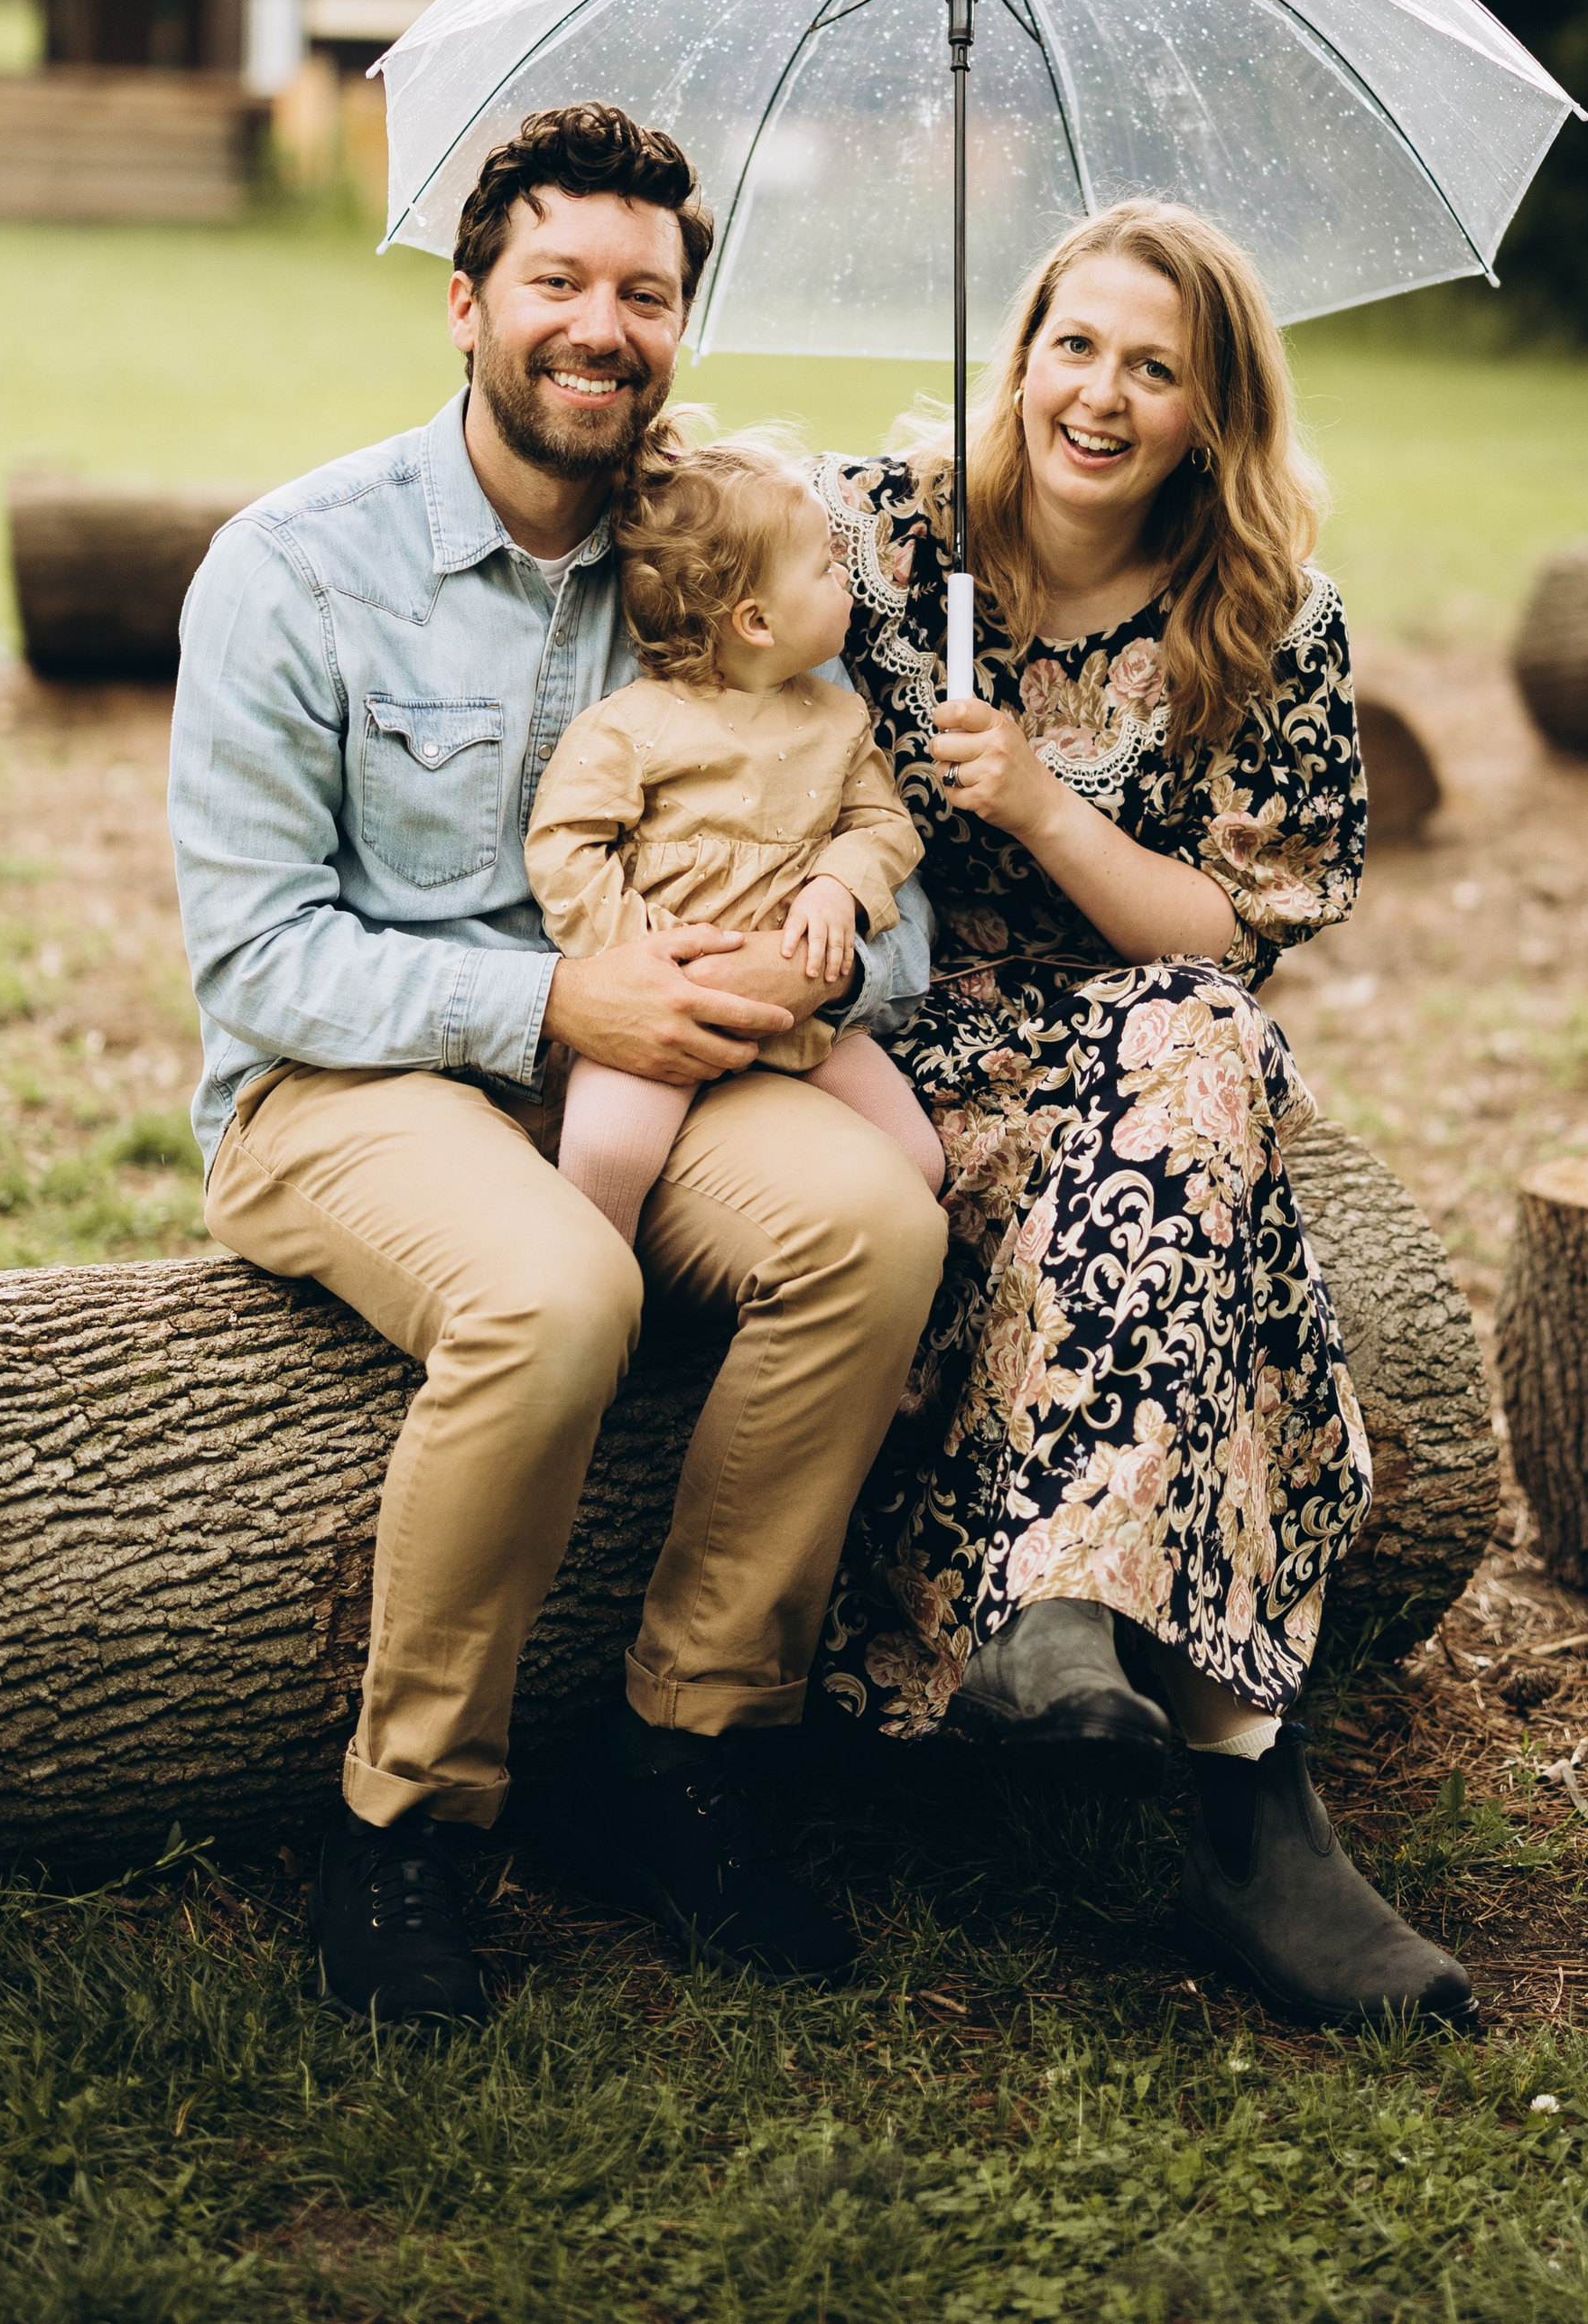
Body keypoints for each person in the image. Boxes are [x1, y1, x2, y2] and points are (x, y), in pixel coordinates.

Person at [168, 101, 948, 2028]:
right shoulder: (294, 567)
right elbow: (259, 960)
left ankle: (682, 1745)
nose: (602, 326)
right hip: (344, 1087)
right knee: (546, 1283)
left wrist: (823, 942)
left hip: (676, 1073)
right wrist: (544, 1010)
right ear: (464, 306)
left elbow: (891, 900)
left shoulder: (718, 560)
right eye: (559, 283)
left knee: (867, 1225)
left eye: (646, 293)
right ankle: (408, 1816)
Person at [815, 199, 1475, 2032]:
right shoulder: (884, 539)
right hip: (889, 1047)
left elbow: (1225, 934)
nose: (1095, 396)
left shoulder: (1265, 623)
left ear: (1213, 414)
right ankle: (1248, 1812)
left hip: (1129, 1030)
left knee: (1196, 1049)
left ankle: (1062, 1614)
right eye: (1070, 346)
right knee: (1217, 1181)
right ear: (1016, 350)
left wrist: (1032, 801)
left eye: (1151, 369)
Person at [527, 435, 947, 1245]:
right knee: (609, 1148)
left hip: (799, 1011)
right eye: (826, 567)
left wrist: (837, 887)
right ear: (756, 620)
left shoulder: (838, 720)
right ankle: (605, 1293)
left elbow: (885, 826)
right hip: (665, 1003)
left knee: (916, 1158)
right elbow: (564, 846)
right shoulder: (634, 725)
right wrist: (637, 953)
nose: (847, 577)